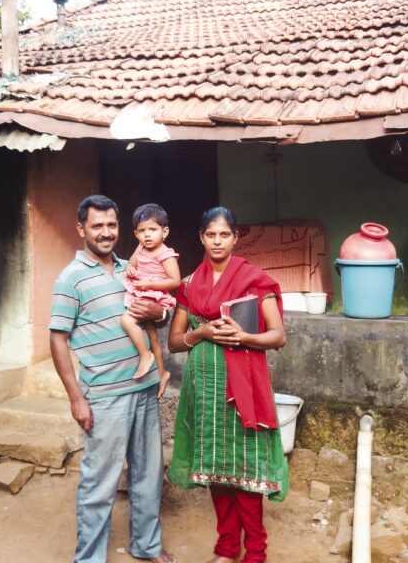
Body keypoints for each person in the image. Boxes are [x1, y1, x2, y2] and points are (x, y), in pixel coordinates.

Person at [49, 194, 177, 563]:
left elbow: (158, 315)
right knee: (100, 482)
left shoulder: (133, 267)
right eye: (97, 226)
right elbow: (58, 338)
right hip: (104, 395)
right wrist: (76, 398)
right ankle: (89, 558)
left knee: (149, 474)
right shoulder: (70, 278)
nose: (106, 233)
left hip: (145, 386)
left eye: (111, 225)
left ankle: (146, 546)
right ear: (81, 229)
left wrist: (157, 313)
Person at [167, 206, 289, 563]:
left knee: (244, 467)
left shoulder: (255, 280)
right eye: (210, 234)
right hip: (204, 386)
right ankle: (226, 549)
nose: (217, 241)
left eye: (224, 234)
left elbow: (278, 336)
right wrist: (202, 332)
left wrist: (244, 336)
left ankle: (256, 552)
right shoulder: (189, 285)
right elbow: (174, 341)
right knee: (215, 467)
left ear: (236, 238)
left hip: (244, 388)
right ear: (201, 238)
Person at [123, 203, 181, 396]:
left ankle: (145, 355)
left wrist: (149, 285)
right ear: (136, 234)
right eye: (142, 231)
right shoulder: (140, 248)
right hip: (141, 293)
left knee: (126, 321)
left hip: (154, 296)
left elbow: (175, 281)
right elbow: (132, 263)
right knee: (153, 338)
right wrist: (130, 269)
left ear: (165, 232)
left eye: (153, 230)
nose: (147, 235)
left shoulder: (166, 255)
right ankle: (163, 373)